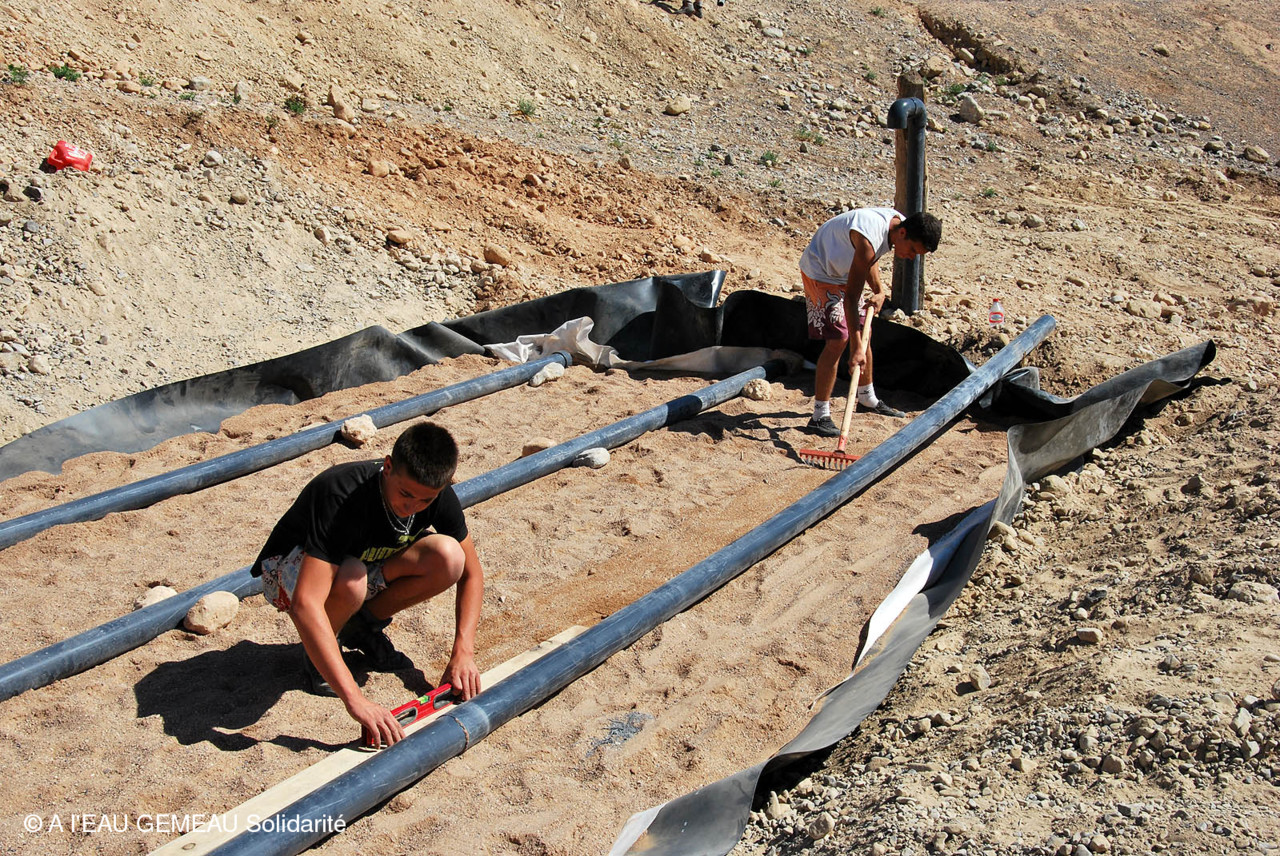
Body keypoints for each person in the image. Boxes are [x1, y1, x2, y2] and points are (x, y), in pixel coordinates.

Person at [252, 421, 484, 747]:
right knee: (352, 580)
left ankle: (360, 628)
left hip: (360, 561)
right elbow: (306, 603)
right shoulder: (342, 495)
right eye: (405, 494)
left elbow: (472, 573)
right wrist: (356, 700)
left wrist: (463, 651)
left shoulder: (437, 496)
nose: (411, 507)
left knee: (449, 558)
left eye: (425, 500)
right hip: (286, 568)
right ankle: (320, 660)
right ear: (388, 467)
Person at [799, 208, 942, 435]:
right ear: (903, 233)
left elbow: (870, 258)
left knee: (864, 332)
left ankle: (866, 398)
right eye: (913, 250)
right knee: (839, 339)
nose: (911, 257)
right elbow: (852, 295)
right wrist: (856, 348)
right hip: (821, 270)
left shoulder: (897, 225)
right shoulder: (869, 236)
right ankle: (819, 416)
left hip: (844, 270)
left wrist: (879, 290)